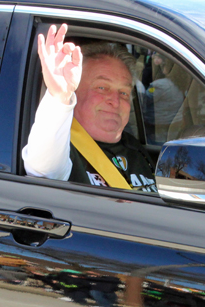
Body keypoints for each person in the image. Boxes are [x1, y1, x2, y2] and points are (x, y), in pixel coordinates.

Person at [22, 24, 157, 192]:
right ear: (75, 93)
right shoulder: (63, 150)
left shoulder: (135, 148)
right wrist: (60, 96)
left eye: (123, 92)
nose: (115, 101)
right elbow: (44, 166)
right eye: (102, 88)